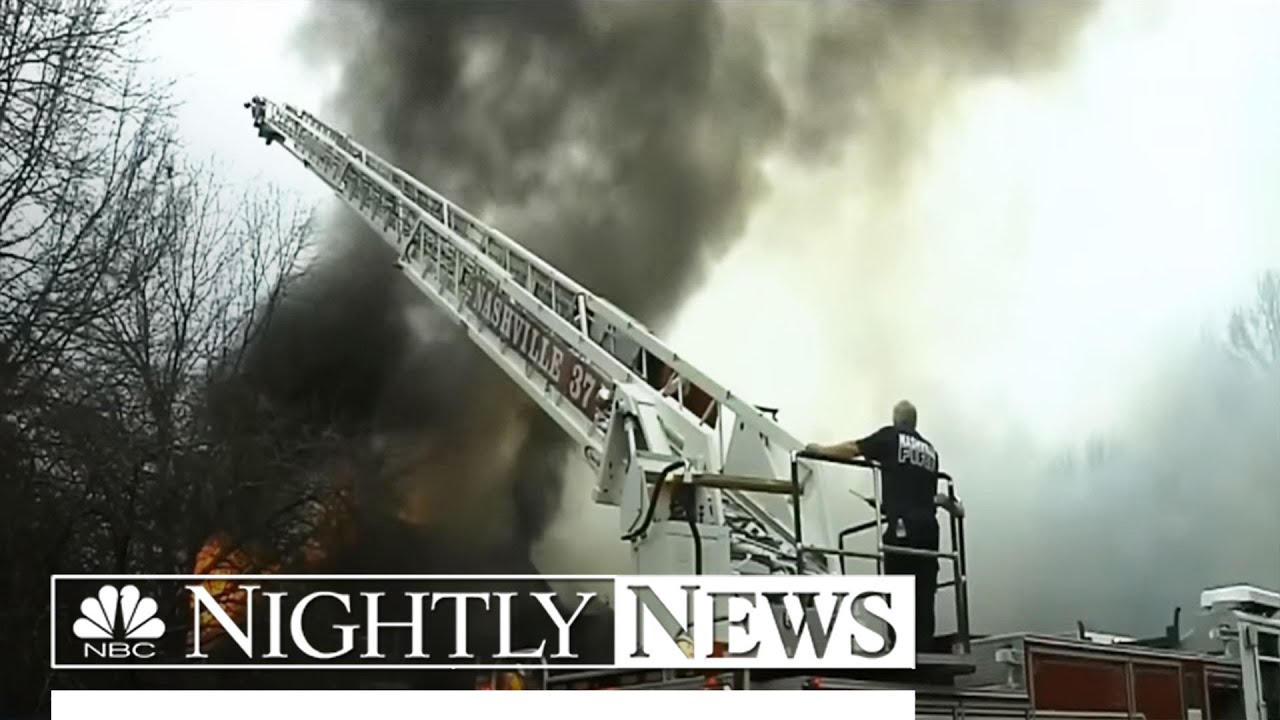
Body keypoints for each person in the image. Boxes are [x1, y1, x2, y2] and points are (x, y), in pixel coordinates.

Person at [804, 400, 963, 653]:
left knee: (899, 586)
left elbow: (853, 448)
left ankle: (900, 647)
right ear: (915, 422)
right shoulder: (930, 451)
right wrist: (886, 504)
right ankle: (922, 649)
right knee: (924, 591)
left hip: (903, 529)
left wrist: (820, 450)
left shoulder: (890, 437)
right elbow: (922, 494)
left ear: (895, 419)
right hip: (929, 531)